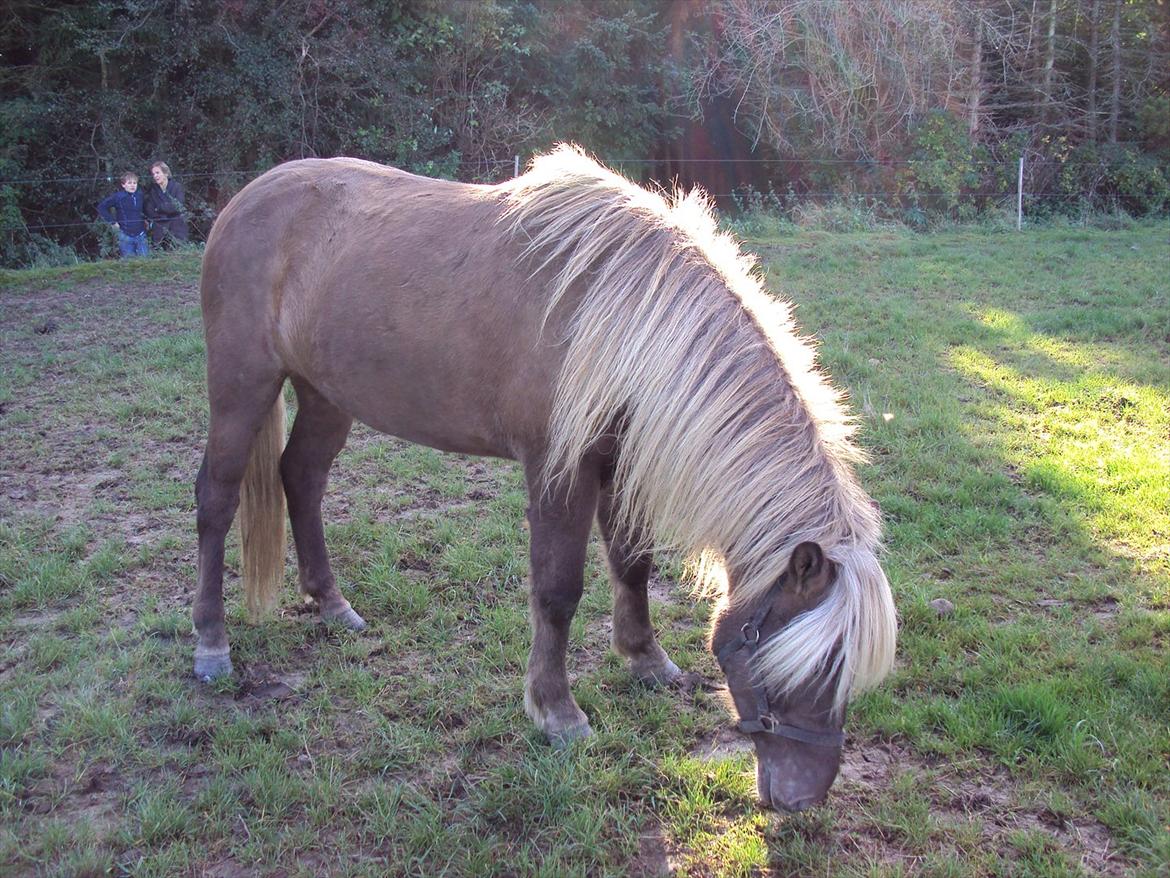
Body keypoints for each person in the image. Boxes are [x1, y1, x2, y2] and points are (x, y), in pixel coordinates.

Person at [97, 171, 149, 257]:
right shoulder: (118, 197)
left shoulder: (140, 195)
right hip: (125, 235)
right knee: (130, 263)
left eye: (134, 183)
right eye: (129, 183)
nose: (132, 185)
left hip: (141, 235)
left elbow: (144, 210)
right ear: (123, 185)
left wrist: (146, 220)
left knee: (145, 261)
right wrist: (112, 222)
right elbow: (101, 207)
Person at [144, 161, 189, 246]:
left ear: (166, 173)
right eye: (153, 174)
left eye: (157, 173)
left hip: (176, 229)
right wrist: (167, 209)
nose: (155, 176)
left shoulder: (177, 187)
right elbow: (150, 210)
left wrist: (159, 208)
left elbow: (178, 207)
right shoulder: (153, 190)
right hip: (159, 230)